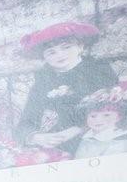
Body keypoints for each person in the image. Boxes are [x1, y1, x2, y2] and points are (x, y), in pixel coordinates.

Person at [14, 21, 119, 157]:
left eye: (66, 47)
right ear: (44, 57)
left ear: (80, 46)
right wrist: (36, 137)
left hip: (92, 138)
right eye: (51, 52)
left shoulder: (97, 71)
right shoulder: (43, 81)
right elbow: (28, 118)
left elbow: (112, 111)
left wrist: (76, 130)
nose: (59, 55)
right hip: (51, 144)